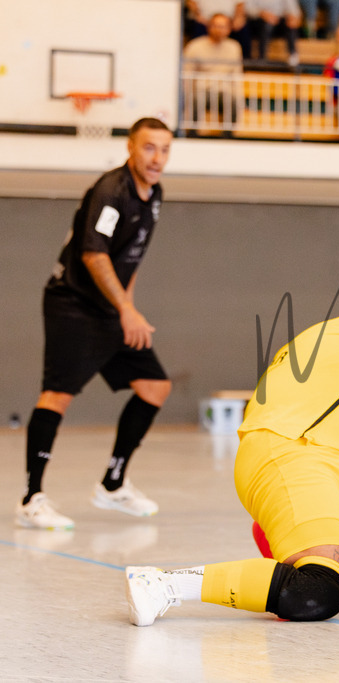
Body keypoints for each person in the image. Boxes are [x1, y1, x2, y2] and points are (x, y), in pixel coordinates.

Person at [124, 287, 339, 626]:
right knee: (316, 592)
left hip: (331, 463)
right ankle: (164, 583)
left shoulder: (329, 333)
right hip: (295, 460)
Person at [16, 119, 174, 531]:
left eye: (164, 149)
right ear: (130, 148)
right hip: (73, 304)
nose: (157, 158)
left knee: (155, 387)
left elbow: (130, 260)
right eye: (149, 148)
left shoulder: (154, 195)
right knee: (57, 396)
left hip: (112, 309)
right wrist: (125, 309)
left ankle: (112, 483)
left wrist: (129, 309)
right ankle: (32, 498)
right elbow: (94, 254)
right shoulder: (112, 191)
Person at [182, 13, 244, 128]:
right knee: (196, 100)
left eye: (223, 26)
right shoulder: (195, 46)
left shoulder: (234, 47)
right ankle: (192, 133)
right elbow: (187, 73)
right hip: (201, 88)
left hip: (224, 90)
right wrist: (186, 94)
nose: (219, 30)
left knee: (232, 101)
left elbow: (237, 74)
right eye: (216, 26)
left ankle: (228, 136)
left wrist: (238, 95)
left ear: (229, 29)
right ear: (209, 27)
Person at [248, 0, 302, 64]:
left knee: (290, 25)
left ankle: (293, 56)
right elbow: (248, 8)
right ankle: (262, 57)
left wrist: (292, 17)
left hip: (279, 20)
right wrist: (262, 13)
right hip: (259, 21)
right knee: (267, 25)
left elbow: (294, 11)